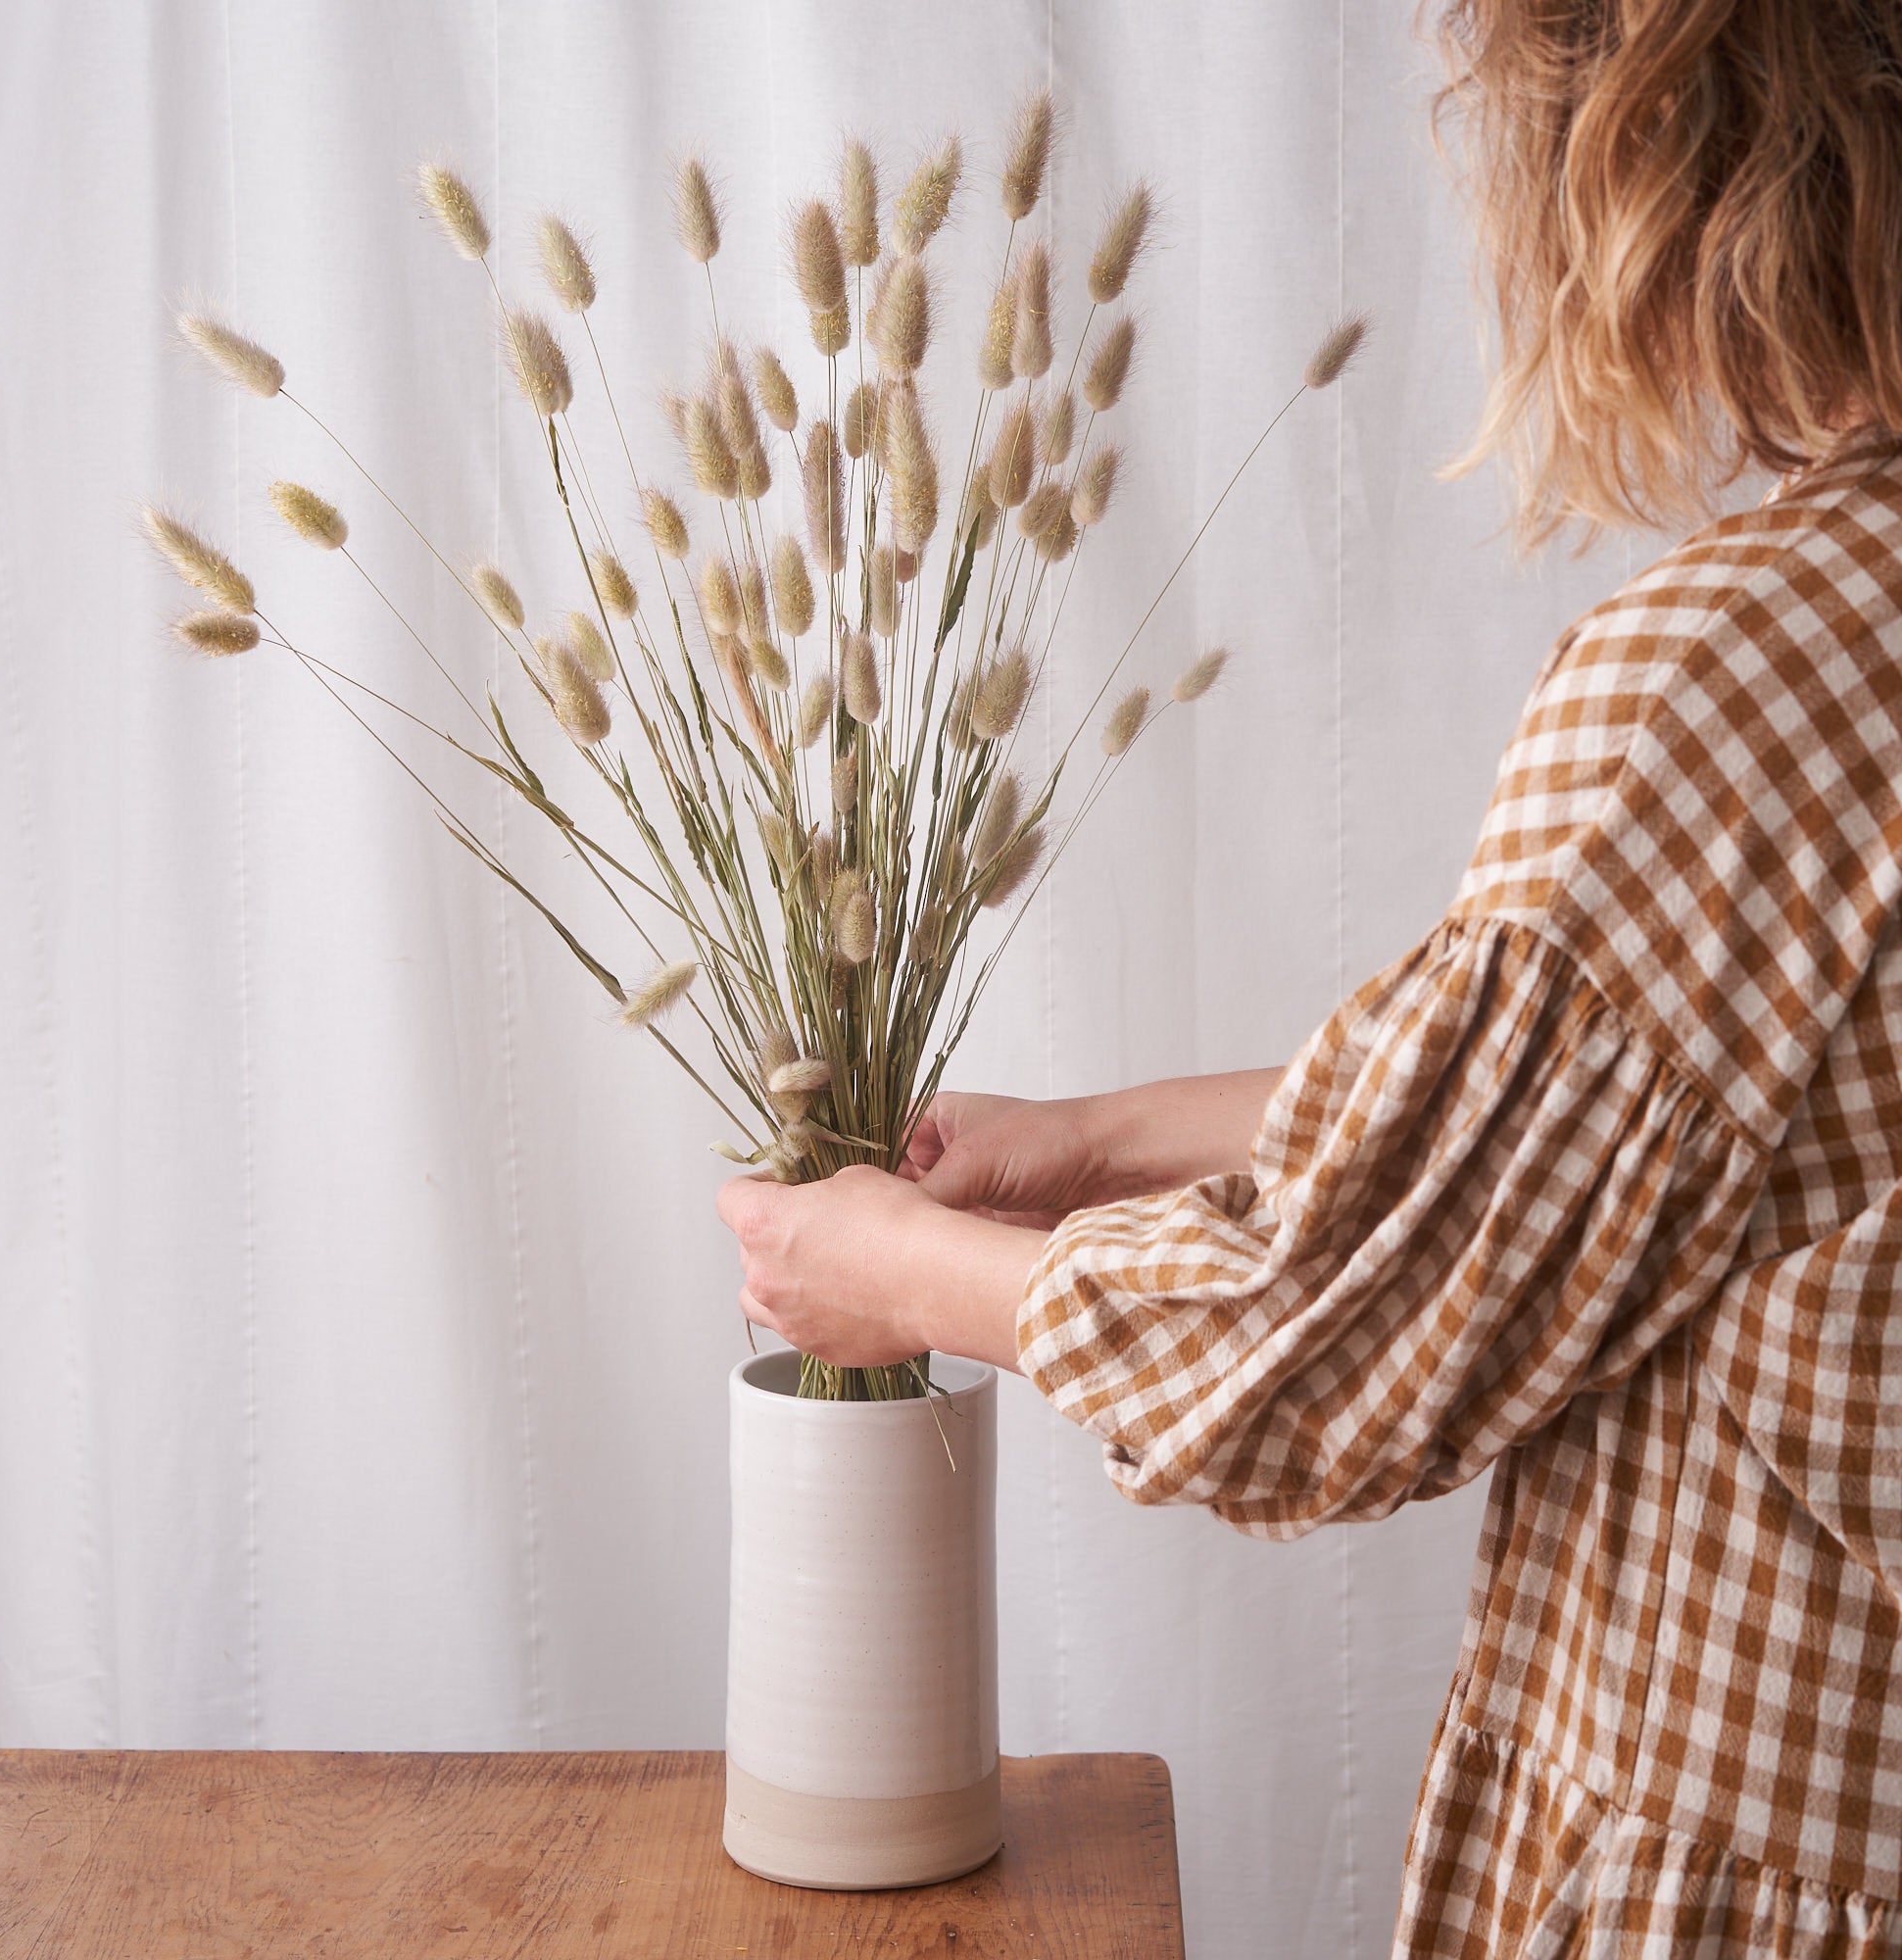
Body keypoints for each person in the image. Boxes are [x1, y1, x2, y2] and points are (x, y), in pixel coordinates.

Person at [717, 0, 1902, 1950]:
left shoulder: (1727, 680)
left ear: (1646, 158)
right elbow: (1637, 1145)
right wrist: (1089, 1141)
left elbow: (1347, 1331)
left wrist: (893, 1266)